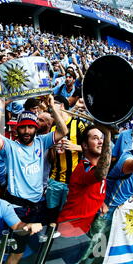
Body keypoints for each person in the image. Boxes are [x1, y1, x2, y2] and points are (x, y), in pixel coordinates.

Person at [0, 96, 68, 264]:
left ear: (36, 129)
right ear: (17, 131)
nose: (27, 131)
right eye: (23, 128)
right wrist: (0, 107)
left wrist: (53, 107)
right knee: (16, 250)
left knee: (17, 248)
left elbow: (63, 131)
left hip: (37, 205)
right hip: (18, 208)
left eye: (31, 127)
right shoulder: (11, 147)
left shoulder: (41, 142)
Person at [78, 125, 133, 264]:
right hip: (107, 214)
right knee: (93, 252)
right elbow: (131, 165)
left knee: (107, 252)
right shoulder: (128, 158)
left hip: (123, 216)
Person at [55, 125, 113, 264]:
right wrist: (108, 135)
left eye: (102, 138)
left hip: (83, 231)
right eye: (95, 138)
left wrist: (101, 201)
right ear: (85, 146)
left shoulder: (95, 165)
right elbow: (101, 174)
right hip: (69, 232)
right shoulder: (84, 168)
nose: (101, 142)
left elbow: (95, 187)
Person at [47, 95, 87, 223]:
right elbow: (50, 158)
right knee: (51, 216)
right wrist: (52, 149)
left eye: (54, 103)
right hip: (54, 181)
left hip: (73, 182)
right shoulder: (53, 129)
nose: (50, 107)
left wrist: (76, 147)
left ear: (62, 106)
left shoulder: (79, 124)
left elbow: (94, 149)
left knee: (66, 218)